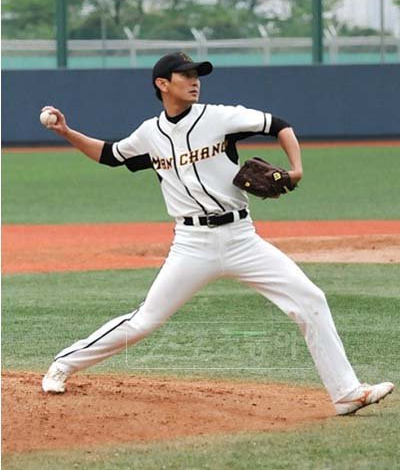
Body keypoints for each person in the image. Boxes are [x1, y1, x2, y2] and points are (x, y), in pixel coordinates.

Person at [42, 51, 393, 416]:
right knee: (145, 320)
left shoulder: (219, 117)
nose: (194, 81)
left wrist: (297, 168)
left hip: (242, 238)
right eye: (185, 75)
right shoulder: (150, 134)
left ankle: (346, 393)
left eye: (197, 74)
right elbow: (110, 154)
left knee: (310, 299)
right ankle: (64, 364)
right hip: (191, 245)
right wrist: (67, 132)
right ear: (162, 84)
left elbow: (278, 124)